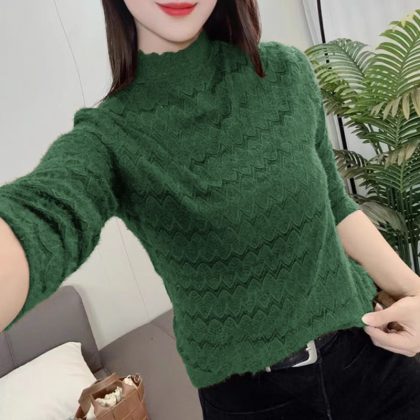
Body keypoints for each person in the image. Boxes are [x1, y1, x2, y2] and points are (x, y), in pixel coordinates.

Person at [1, 1, 420, 418]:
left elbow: (335, 203)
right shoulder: (109, 137)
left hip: (370, 359)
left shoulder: (285, 72)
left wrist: (416, 292)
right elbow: (46, 216)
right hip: (250, 403)